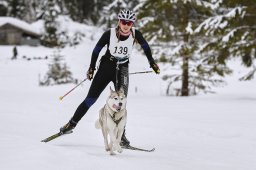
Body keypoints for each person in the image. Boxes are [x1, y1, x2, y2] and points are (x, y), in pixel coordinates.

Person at [60, 10, 160, 147]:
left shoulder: (136, 34)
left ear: (132, 24)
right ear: (119, 21)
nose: (126, 25)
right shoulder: (110, 33)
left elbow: (145, 46)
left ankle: (121, 136)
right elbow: (96, 50)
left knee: (121, 102)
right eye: (123, 22)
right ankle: (71, 124)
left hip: (122, 69)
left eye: (129, 23)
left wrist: (152, 62)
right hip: (106, 67)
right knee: (91, 99)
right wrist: (91, 68)